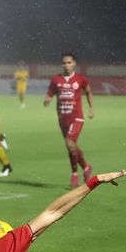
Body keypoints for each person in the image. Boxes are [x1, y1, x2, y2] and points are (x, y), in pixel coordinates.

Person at [44, 53, 94, 188]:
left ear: (74, 63)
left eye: (69, 62)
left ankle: (81, 169)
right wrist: (48, 99)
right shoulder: (56, 80)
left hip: (77, 117)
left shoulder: (80, 79)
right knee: (70, 146)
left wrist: (90, 108)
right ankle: (79, 171)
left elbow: (88, 91)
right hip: (62, 118)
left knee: (69, 142)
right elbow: (50, 93)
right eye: (64, 63)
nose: (66, 65)